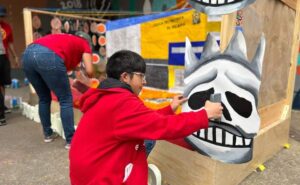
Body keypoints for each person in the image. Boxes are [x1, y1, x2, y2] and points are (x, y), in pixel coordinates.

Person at [69, 50, 223, 185]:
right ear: (125, 77)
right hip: (101, 178)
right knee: (150, 137)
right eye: (141, 76)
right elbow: (162, 126)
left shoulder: (108, 96)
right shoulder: (122, 102)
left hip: (89, 173)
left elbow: (144, 121)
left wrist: (170, 107)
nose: (144, 81)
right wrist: (205, 114)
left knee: (148, 138)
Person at [22, 33, 94, 149]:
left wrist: (78, 67)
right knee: (65, 99)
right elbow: (90, 72)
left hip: (27, 55)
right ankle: (71, 140)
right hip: (48, 56)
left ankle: (48, 134)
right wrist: (88, 71)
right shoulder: (84, 43)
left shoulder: (66, 39)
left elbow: (62, 63)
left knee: (44, 98)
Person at [0, 5, 19, 125]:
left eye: (2, 16)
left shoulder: (6, 27)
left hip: (4, 57)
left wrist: (15, 56)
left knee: (4, 83)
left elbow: (10, 43)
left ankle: (2, 106)